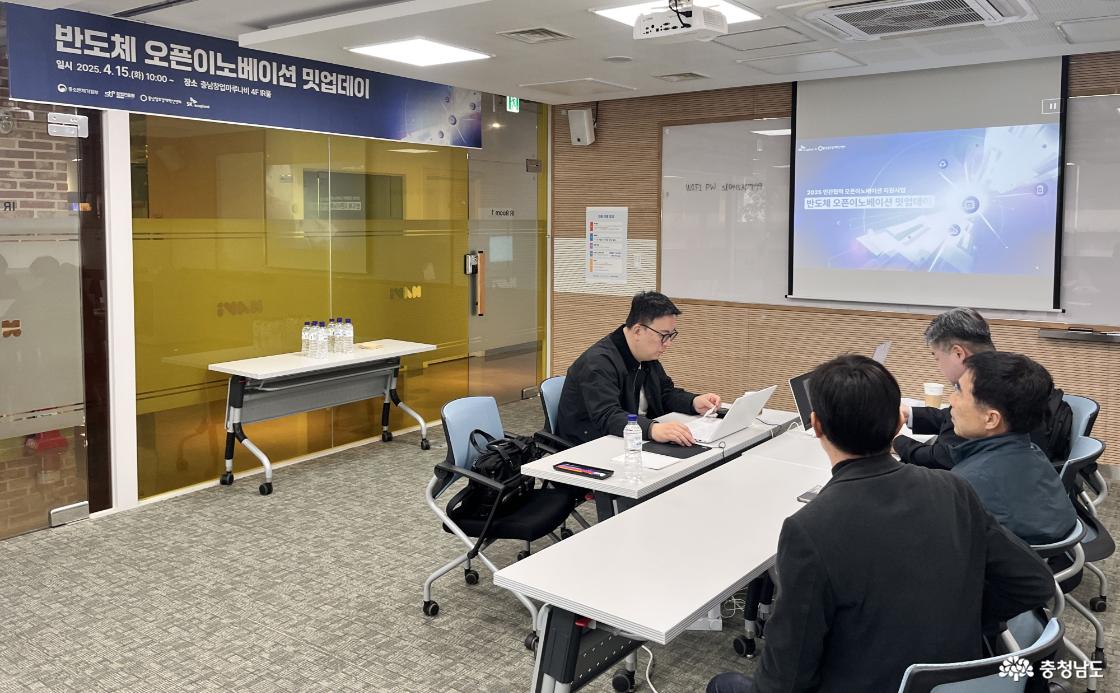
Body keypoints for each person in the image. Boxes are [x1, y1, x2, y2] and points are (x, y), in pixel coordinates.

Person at [707, 355, 1054, 693]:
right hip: (951, 681)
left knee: (722, 683)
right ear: (898, 424)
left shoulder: (809, 528)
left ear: (817, 426)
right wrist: (959, 616)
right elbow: (1034, 583)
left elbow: (786, 676)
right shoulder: (953, 488)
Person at [895, 307, 1072, 469]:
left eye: (937, 358)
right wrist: (910, 413)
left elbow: (944, 457)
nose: (952, 399)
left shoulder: (987, 388)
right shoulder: (1012, 373)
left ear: (958, 353)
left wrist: (895, 441)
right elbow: (952, 416)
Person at [555, 291, 720, 446]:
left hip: (629, 442)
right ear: (638, 331)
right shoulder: (598, 363)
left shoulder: (646, 356)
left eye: (671, 335)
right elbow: (608, 416)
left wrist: (693, 402)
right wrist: (652, 429)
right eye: (663, 335)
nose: (668, 343)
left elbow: (664, 393)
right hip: (591, 447)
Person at [947, 351, 1077, 545]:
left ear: (991, 419)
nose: (951, 399)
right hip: (1052, 562)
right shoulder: (1031, 451)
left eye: (959, 391)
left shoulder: (966, 483)